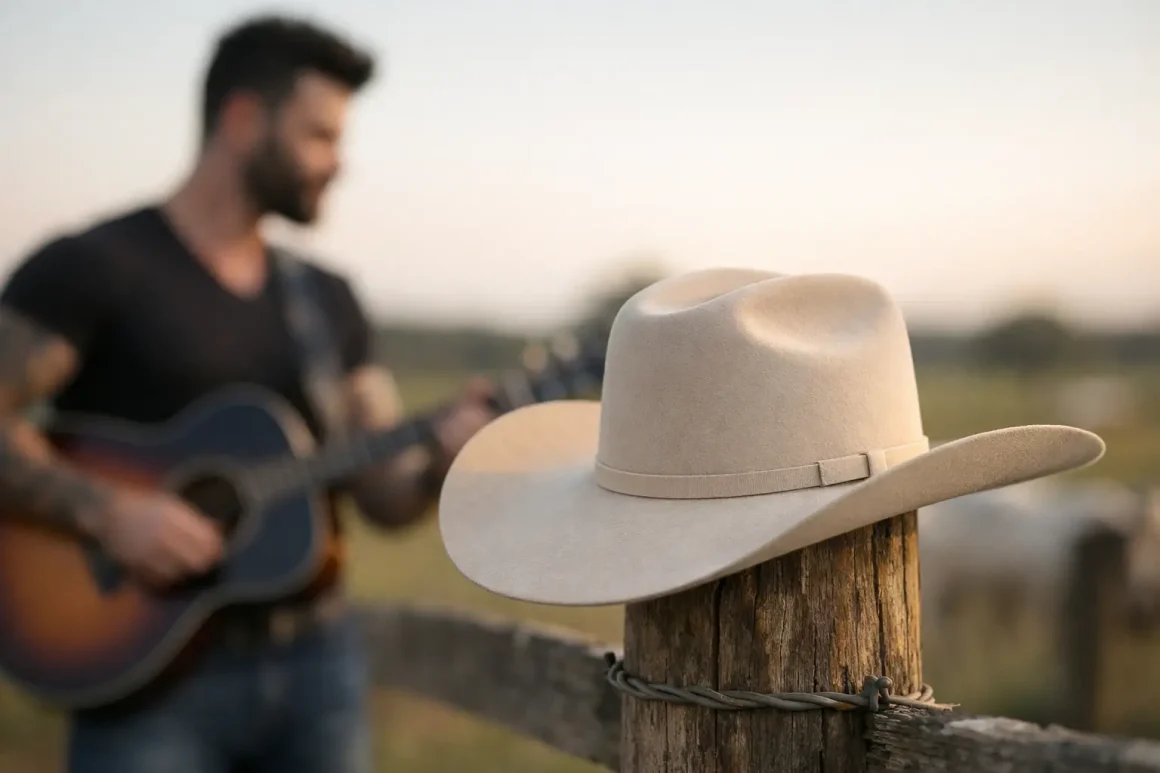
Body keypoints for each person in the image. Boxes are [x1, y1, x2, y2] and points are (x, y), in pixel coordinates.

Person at [0, 14, 494, 773]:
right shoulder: (92, 267)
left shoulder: (327, 300)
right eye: (320, 135)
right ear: (242, 119)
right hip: (143, 682)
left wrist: (438, 460)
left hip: (319, 669)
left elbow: (384, 498)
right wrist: (111, 512)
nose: (339, 163)